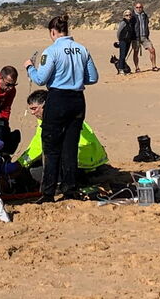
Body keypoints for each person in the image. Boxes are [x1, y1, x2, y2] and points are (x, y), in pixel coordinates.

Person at [23, 14, 98, 203]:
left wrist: (30, 68)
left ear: (53, 32)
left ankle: (48, 193)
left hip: (57, 98)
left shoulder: (52, 51)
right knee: (70, 147)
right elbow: (93, 77)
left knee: (51, 147)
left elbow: (40, 79)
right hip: (77, 99)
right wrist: (77, 79)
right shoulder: (82, 49)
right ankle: (69, 188)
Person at [15, 90, 108, 186]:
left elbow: (39, 145)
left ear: (45, 105)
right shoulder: (58, 113)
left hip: (84, 160)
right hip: (89, 157)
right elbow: (37, 142)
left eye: (34, 109)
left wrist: (19, 164)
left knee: (35, 172)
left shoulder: (54, 119)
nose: (32, 113)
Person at [131, 2, 158, 72]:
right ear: (134, 8)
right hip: (135, 38)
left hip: (144, 36)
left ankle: (154, 66)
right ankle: (137, 68)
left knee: (152, 50)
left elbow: (146, 24)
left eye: (140, 7)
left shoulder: (144, 15)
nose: (139, 9)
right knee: (136, 52)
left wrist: (147, 34)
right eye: (137, 7)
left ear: (142, 8)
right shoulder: (132, 16)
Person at [115, 8, 135, 75]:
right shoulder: (123, 23)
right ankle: (121, 69)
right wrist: (119, 40)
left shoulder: (131, 23)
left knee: (125, 55)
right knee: (122, 55)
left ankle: (123, 68)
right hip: (122, 40)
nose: (128, 16)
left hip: (128, 41)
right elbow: (119, 32)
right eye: (126, 15)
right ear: (124, 16)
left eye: (129, 15)